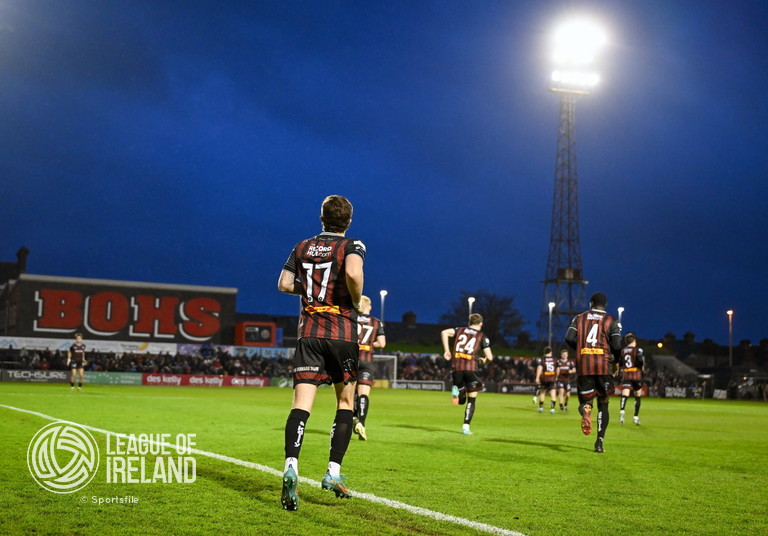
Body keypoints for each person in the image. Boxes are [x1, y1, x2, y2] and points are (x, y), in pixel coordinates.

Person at [276, 195, 365, 511]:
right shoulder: (352, 245)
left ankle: (291, 465)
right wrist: (354, 300)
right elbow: (353, 275)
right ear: (349, 221)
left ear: (321, 218)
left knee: (301, 404)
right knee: (345, 402)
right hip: (341, 334)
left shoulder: (301, 247)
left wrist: (311, 291)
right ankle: (332, 472)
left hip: (309, 334)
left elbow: (284, 284)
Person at [565, 292, 622, 453]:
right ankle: (599, 442)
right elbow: (617, 346)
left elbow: (568, 338)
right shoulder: (612, 321)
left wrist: (581, 350)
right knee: (603, 402)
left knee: (585, 402)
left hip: (585, 365)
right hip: (603, 365)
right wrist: (616, 362)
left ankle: (586, 410)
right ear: (605, 305)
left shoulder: (579, 318)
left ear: (591, 303)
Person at [441, 313, 493, 435]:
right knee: (472, 400)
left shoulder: (459, 330)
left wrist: (447, 351)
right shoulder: (482, 336)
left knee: (461, 400)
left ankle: (459, 389)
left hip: (456, 368)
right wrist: (484, 360)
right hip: (471, 369)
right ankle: (466, 427)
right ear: (481, 323)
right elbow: (490, 357)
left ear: (469, 322)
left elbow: (444, 332)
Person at [353, 295, 386, 441]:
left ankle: (353, 419)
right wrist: (370, 344)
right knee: (363, 394)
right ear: (369, 306)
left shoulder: (351, 318)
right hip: (367, 361)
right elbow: (382, 343)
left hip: (351, 360)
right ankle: (362, 423)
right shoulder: (376, 322)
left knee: (349, 394)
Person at [618, 333, 644, 426]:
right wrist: (641, 368)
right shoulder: (638, 350)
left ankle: (622, 412)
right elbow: (640, 361)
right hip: (636, 374)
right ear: (634, 341)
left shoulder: (623, 351)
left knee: (625, 394)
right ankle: (635, 418)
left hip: (626, 374)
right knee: (638, 395)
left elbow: (620, 363)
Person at [534, 347, 558, 414]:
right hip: (552, 377)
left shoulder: (542, 359)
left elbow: (539, 367)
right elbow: (558, 369)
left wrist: (537, 377)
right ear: (551, 352)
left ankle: (541, 407)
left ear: (544, 352)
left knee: (542, 392)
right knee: (553, 393)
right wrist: (556, 376)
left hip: (544, 378)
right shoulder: (555, 359)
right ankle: (552, 409)